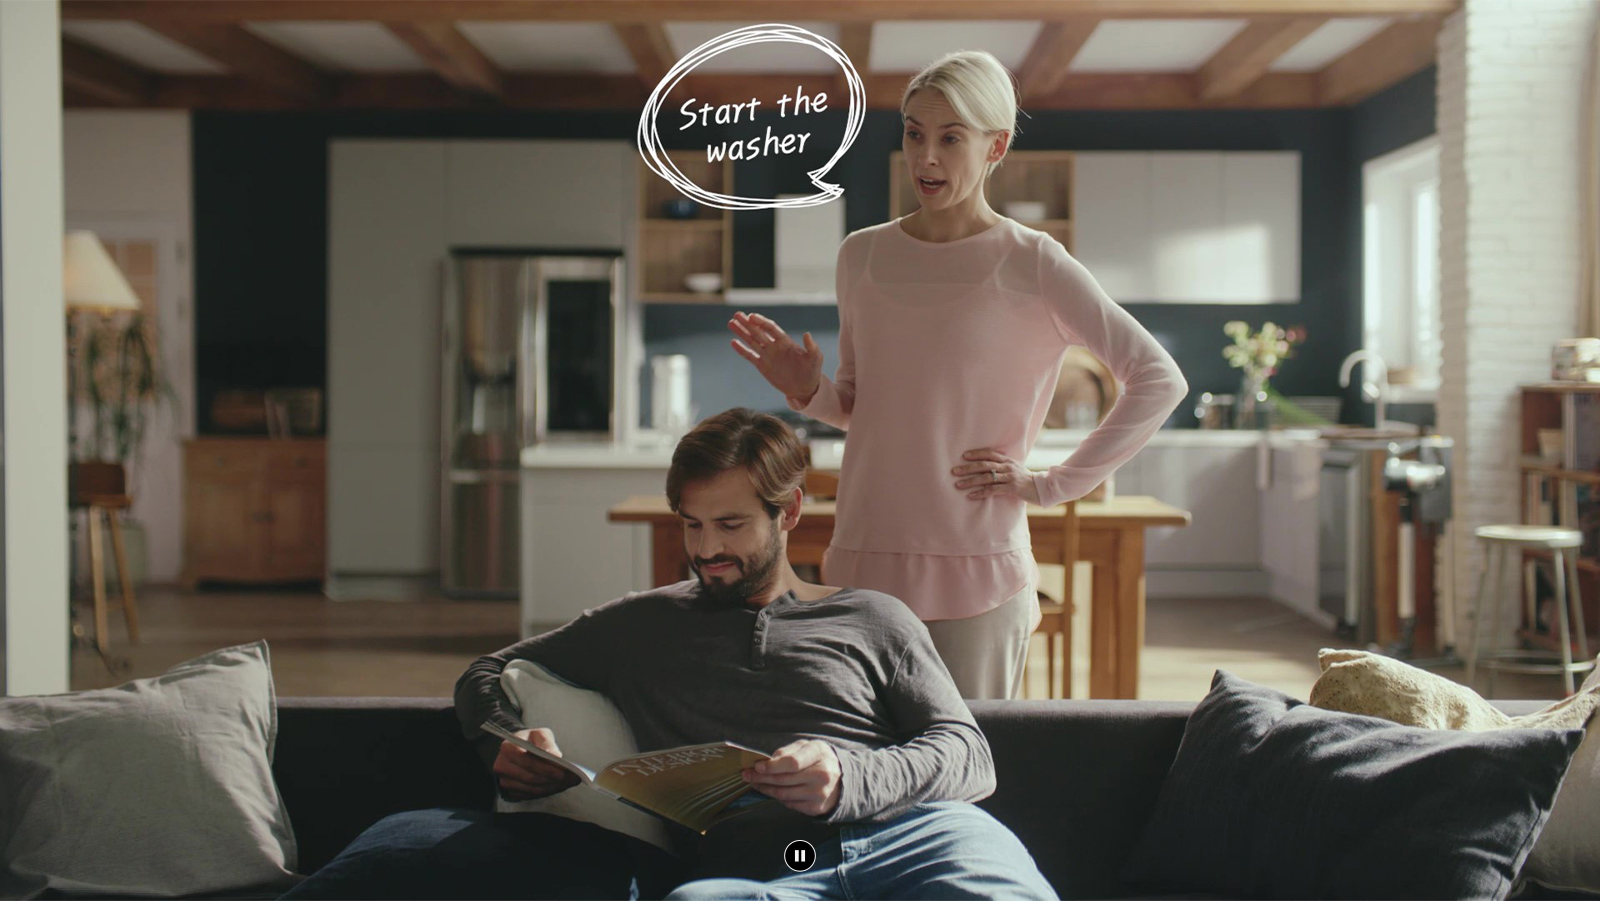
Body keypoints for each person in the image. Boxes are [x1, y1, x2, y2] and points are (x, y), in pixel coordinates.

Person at [439, 408, 1052, 900]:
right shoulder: (640, 624)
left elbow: (970, 755)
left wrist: (846, 776)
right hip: (778, 867)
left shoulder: (873, 616)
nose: (706, 550)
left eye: (730, 525)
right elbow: (487, 670)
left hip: (921, 839)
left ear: (787, 512)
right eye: (692, 525)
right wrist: (506, 743)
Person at [729, 50, 1188, 700]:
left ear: (996, 145)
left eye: (951, 138)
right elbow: (864, 406)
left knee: (970, 767)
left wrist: (1051, 485)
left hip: (979, 567)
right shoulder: (861, 255)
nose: (926, 159)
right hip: (864, 550)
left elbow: (1157, 377)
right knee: (858, 761)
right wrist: (807, 388)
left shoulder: (1033, 262)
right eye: (915, 133)